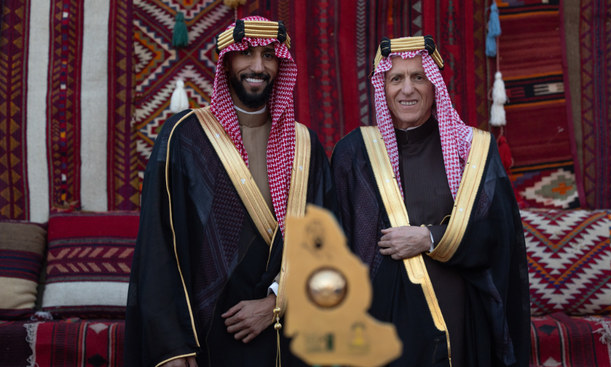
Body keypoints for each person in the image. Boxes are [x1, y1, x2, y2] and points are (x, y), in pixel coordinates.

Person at [125, 16, 336, 367]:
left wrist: (275, 304)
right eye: (246, 54)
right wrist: (172, 346)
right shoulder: (185, 137)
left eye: (269, 55)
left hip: (289, 334)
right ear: (227, 62)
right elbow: (158, 246)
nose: (258, 66)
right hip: (208, 335)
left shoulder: (305, 145)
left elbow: (326, 240)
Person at [330, 36, 530, 366]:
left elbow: (496, 233)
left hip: (458, 317)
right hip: (382, 326)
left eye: (418, 77)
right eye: (396, 78)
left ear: (435, 85)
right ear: (383, 86)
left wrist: (429, 238)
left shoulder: (473, 152)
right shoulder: (353, 154)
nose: (407, 89)